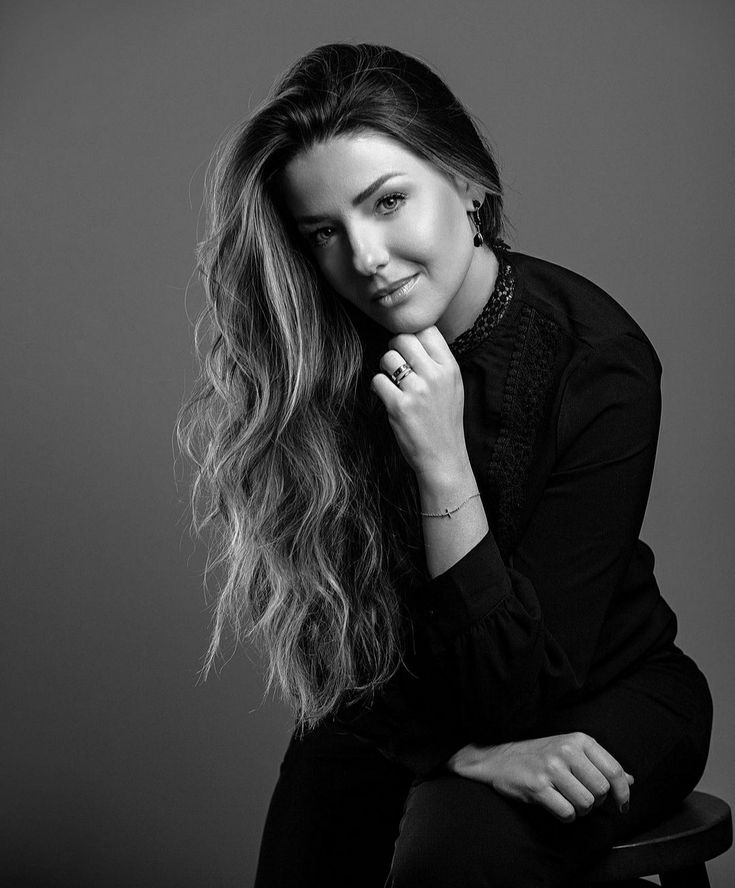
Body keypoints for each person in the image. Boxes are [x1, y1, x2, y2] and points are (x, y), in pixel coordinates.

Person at [176, 42, 713, 887]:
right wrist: (455, 752)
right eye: (325, 233)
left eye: (387, 202)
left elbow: (522, 688)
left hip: (599, 695)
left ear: (467, 184)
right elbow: (333, 635)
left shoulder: (596, 361)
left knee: (458, 850)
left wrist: (441, 461)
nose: (366, 258)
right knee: (314, 831)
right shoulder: (321, 359)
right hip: (404, 703)